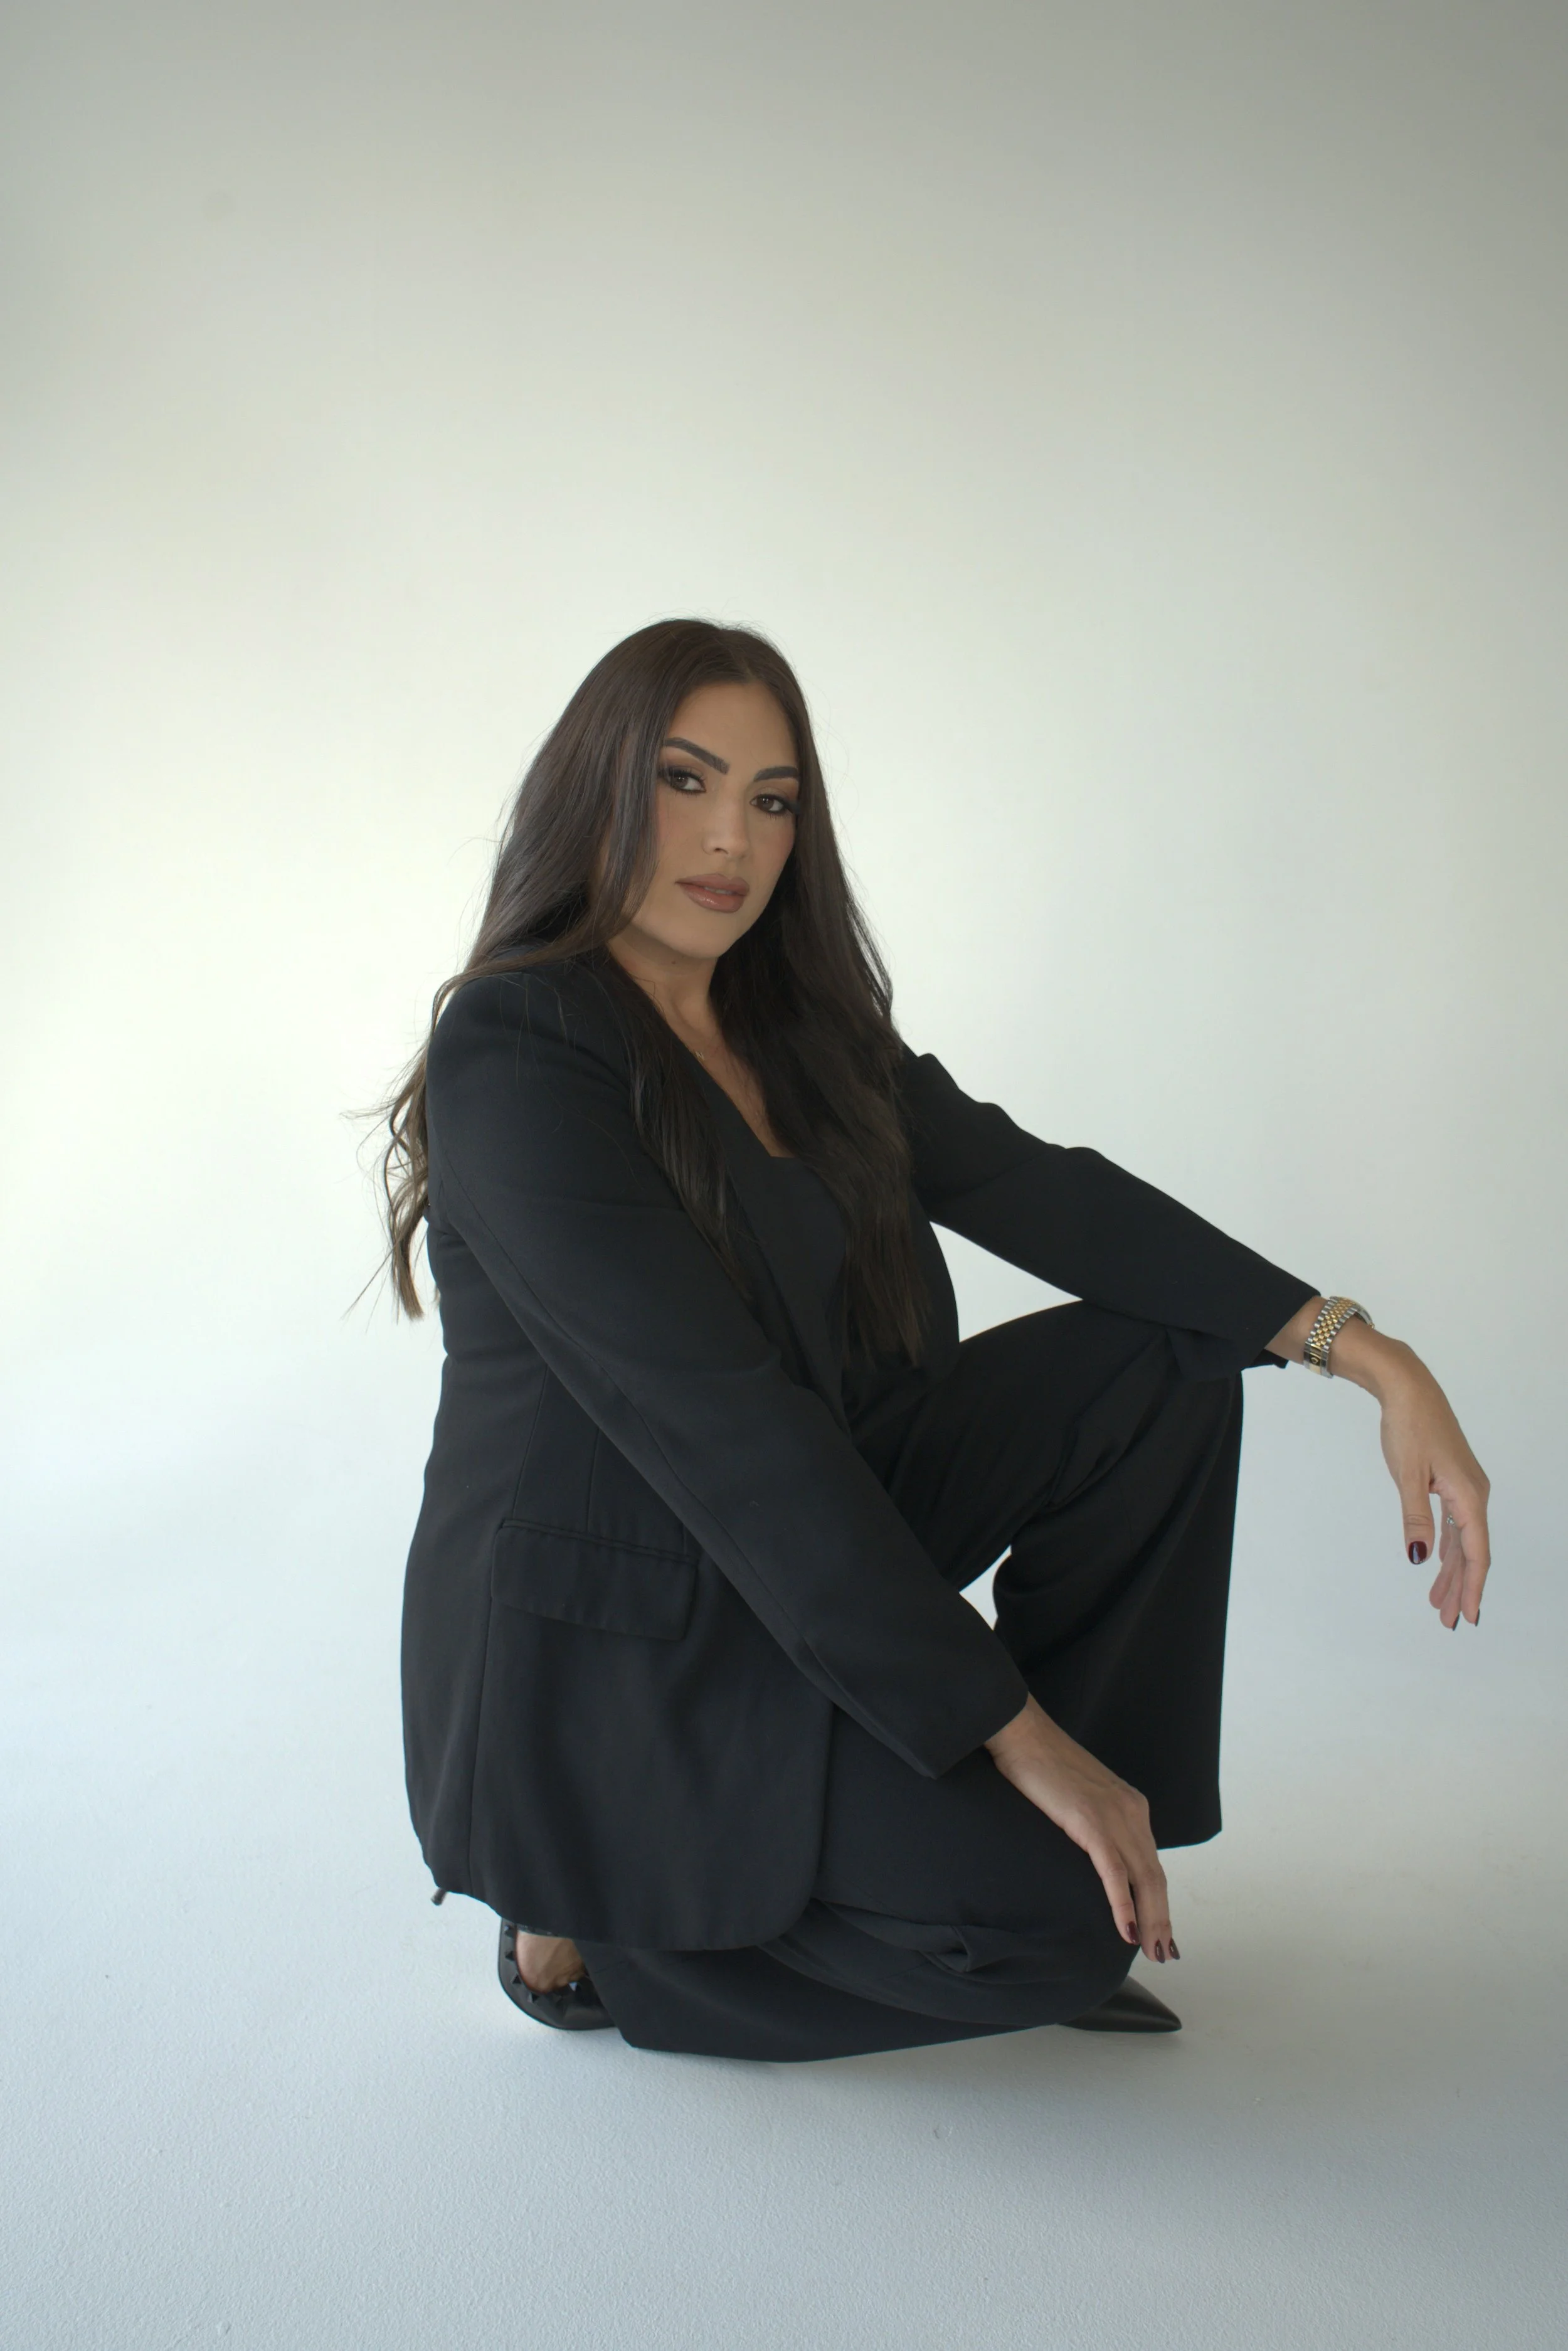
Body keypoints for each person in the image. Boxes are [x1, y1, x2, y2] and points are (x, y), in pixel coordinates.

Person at [378, 618, 1491, 2062]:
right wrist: (1005, 1724)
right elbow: (721, 1427)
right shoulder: (516, 1054)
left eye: (771, 800)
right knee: (1031, 1936)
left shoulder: (795, 1028)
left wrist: (1362, 1350)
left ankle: (1104, 1840)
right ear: (594, 784)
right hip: (626, 1632)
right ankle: (614, 1940)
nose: (730, 839)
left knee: (1160, 1366)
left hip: (808, 1528)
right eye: (683, 780)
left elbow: (1036, 1185)